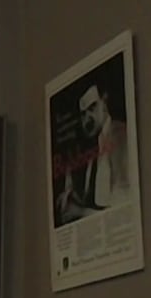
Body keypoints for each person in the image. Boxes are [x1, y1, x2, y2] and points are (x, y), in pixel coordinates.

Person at [55, 80, 131, 225]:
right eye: (83, 114)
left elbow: (123, 214)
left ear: (104, 101)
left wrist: (80, 212)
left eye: (93, 107)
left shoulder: (120, 134)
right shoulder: (97, 147)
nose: (87, 118)